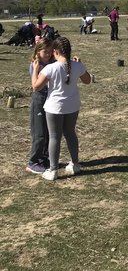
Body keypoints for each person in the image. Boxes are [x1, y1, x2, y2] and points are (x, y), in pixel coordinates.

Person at [30, 37, 91, 181]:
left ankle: (53, 170)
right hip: (72, 106)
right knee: (70, 133)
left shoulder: (50, 68)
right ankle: (75, 164)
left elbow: (35, 87)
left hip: (54, 107)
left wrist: (36, 70)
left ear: (56, 52)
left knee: (54, 137)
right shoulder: (76, 65)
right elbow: (87, 81)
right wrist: (80, 65)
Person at [26, 39, 54, 174]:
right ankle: (33, 162)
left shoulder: (51, 63)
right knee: (39, 133)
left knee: (48, 132)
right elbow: (35, 87)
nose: (48, 54)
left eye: (50, 51)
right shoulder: (35, 65)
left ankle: (44, 158)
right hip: (39, 100)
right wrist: (36, 70)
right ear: (38, 52)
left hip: (49, 100)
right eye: (45, 52)